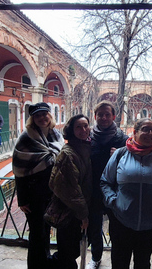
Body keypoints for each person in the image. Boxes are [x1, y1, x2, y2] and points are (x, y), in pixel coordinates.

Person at [101, 118, 152, 269]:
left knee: (143, 263)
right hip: (122, 222)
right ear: (135, 132)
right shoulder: (121, 154)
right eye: (145, 129)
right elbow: (105, 182)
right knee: (119, 263)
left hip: (150, 225)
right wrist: (114, 203)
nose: (150, 133)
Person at [12, 102, 64, 269]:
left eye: (45, 114)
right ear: (32, 119)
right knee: (37, 234)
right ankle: (36, 265)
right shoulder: (26, 138)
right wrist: (22, 199)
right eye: (38, 115)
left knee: (46, 230)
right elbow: (19, 171)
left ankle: (45, 262)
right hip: (33, 194)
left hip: (51, 193)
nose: (42, 118)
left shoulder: (56, 135)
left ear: (50, 116)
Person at [87, 101, 128, 269]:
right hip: (94, 190)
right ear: (95, 116)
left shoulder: (122, 139)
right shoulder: (88, 137)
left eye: (107, 114)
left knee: (117, 228)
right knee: (95, 227)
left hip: (115, 190)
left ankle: (117, 261)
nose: (104, 118)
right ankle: (96, 257)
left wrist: (119, 157)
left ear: (114, 117)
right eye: (100, 115)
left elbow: (131, 163)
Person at [48, 114, 92, 269]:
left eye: (85, 126)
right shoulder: (68, 153)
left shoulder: (85, 147)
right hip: (69, 211)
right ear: (71, 130)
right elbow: (69, 189)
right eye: (78, 127)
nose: (83, 130)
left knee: (72, 250)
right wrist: (83, 214)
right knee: (68, 253)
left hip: (78, 210)